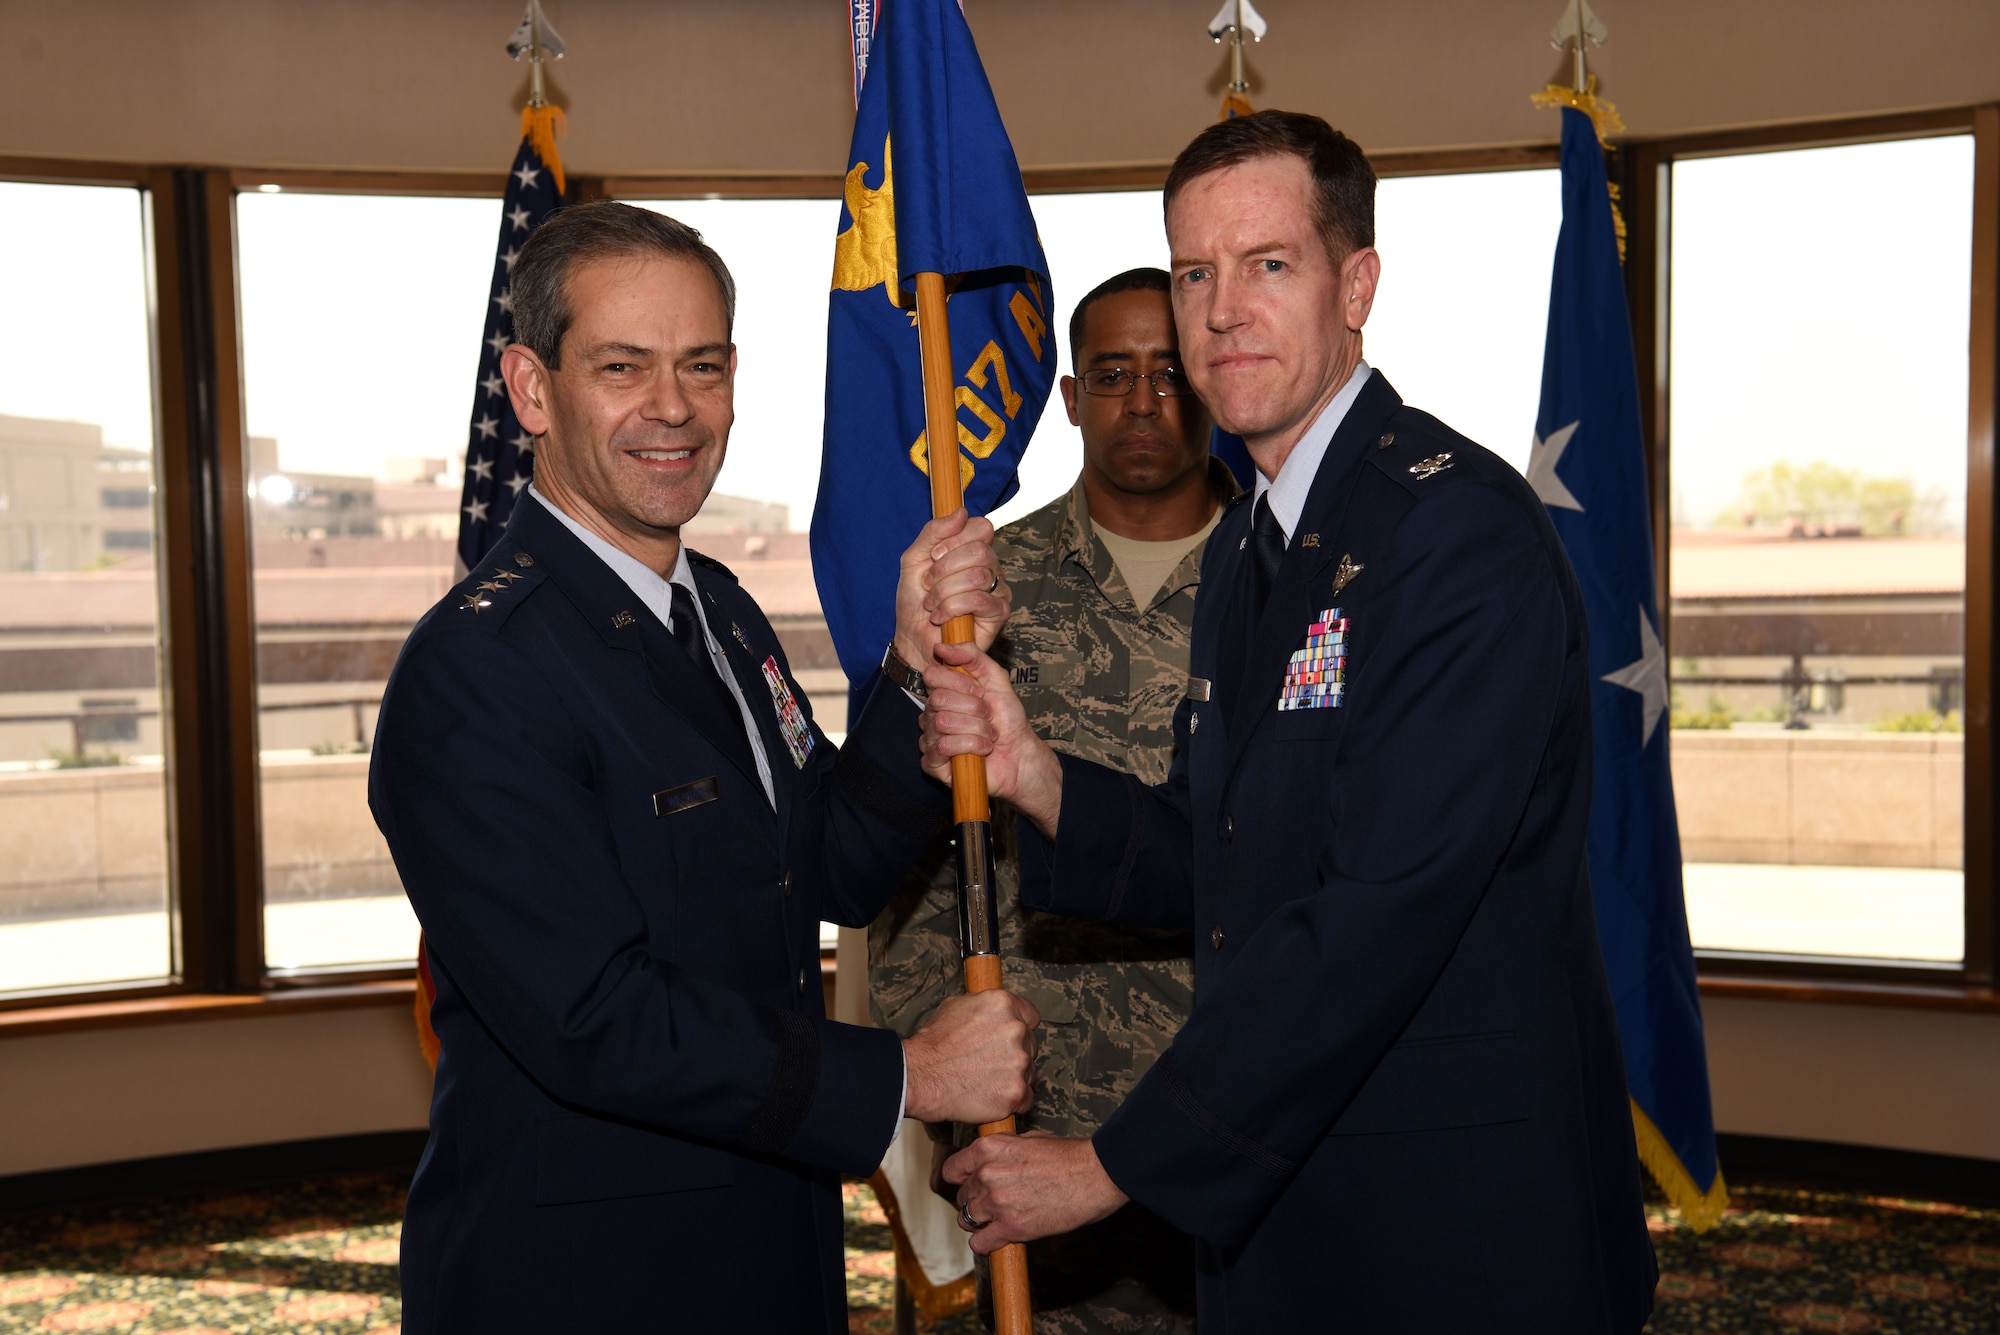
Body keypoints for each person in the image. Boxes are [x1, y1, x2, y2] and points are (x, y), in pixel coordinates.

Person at [919, 112, 1659, 1332]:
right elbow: (1236, 857)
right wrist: (1036, 773)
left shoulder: (1448, 533)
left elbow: (1374, 912)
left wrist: (1112, 1165)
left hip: (1444, 1225)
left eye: (1267, 265)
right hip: (1298, 1204)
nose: (1219, 312)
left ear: (1354, 284)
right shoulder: (1260, 544)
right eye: (1194, 274)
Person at [369, 201, 1040, 1335]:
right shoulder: (477, 669)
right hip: (585, 1274)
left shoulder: (716, 608)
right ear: (531, 391)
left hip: (761, 1228)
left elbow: (825, 862)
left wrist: (916, 673)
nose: (671, 407)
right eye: (621, 367)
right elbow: (592, 1015)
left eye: (701, 365)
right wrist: (902, 1081)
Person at [871, 268, 1233, 1333]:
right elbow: (917, 862)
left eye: (1169, 374)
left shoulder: (1286, 582)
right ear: (1071, 397)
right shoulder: (983, 590)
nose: (1142, 402)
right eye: (1112, 374)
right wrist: (942, 1085)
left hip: (1237, 1106)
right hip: (1038, 1113)